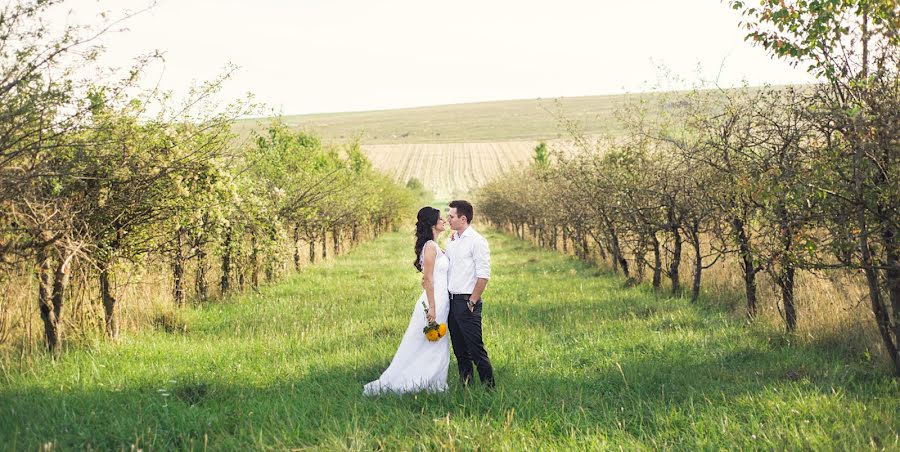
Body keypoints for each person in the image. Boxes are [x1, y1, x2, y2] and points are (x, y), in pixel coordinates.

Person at [363, 207, 450, 395]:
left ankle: (433, 383)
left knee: (435, 343)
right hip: (433, 302)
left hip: (441, 300)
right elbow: (427, 280)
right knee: (429, 343)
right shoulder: (430, 247)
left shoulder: (434, 246)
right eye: (440, 219)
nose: (444, 221)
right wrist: (432, 308)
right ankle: (416, 382)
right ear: (432, 223)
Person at [445, 200, 495, 388]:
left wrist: (472, 301)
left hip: (467, 302)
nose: (448, 219)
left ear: (463, 218)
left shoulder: (477, 241)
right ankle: (466, 386)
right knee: (459, 350)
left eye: (451, 216)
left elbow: (483, 275)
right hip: (451, 302)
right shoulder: (453, 241)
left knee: (476, 350)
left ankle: (489, 388)